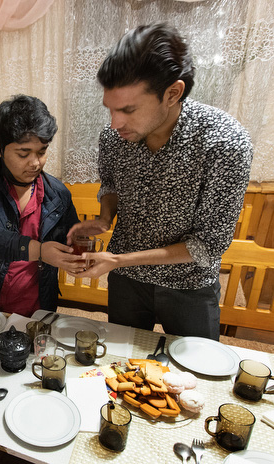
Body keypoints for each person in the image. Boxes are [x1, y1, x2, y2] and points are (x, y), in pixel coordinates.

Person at [66, 24, 253, 340]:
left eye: (128, 109)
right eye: (110, 109)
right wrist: (104, 217)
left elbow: (208, 246)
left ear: (173, 93)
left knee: (197, 376)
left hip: (189, 285)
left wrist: (116, 259)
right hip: (126, 280)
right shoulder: (113, 138)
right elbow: (111, 183)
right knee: (119, 365)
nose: (115, 123)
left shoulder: (224, 142)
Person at [0, 95, 81, 317]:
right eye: (23, 153)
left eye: (42, 151)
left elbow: (71, 239)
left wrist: (80, 252)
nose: (35, 162)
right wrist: (39, 250)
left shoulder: (57, 193)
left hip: (37, 307)